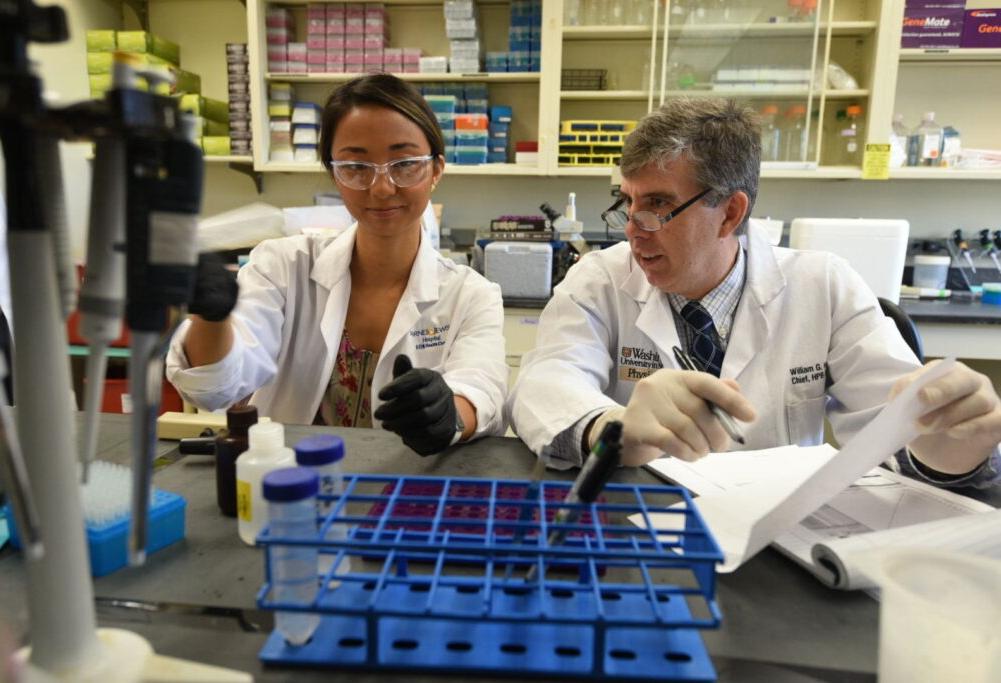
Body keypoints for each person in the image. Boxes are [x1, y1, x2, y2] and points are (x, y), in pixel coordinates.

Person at [507, 97, 1000, 488]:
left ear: (730, 212)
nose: (632, 230)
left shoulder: (823, 285)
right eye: (626, 202)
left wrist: (946, 454)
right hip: (637, 520)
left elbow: (898, 426)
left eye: (657, 205)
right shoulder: (599, 279)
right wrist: (613, 428)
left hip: (779, 544)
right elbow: (544, 383)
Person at [167, 73, 509, 455]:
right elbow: (216, 388)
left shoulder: (472, 295)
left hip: (408, 489)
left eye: (405, 163)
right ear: (334, 173)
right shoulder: (281, 267)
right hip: (288, 487)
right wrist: (211, 315)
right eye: (357, 167)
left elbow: (484, 390)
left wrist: (448, 413)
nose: (382, 188)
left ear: (436, 170)